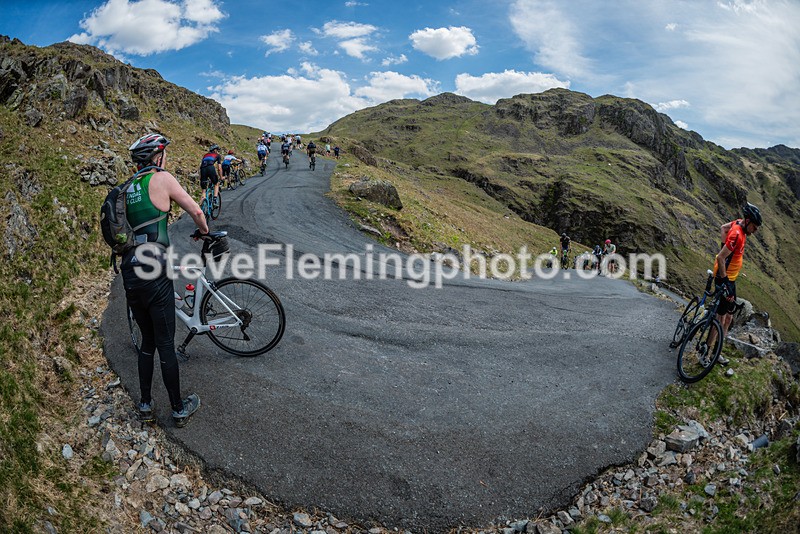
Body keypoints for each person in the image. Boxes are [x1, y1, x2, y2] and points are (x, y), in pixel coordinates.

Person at [124, 133, 208, 427]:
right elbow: (196, 210)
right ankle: (178, 408)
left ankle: (145, 405)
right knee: (165, 342)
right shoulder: (161, 178)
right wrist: (205, 230)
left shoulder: (127, 188)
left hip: (130, 271)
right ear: (157, 157)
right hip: (155, 270)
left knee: (147, 342)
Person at [707, 203, 762, 358]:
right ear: (748, 221)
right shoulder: (737, 234)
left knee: (729, 316)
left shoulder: (739, 224)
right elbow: (720, 257)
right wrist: (724, 280)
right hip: (725, 279)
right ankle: (708, 351)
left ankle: (716, 350)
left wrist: (724, 246)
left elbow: (723, 227)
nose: (756, 230)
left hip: (730, 278)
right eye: (755, 227)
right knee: (721, 317)